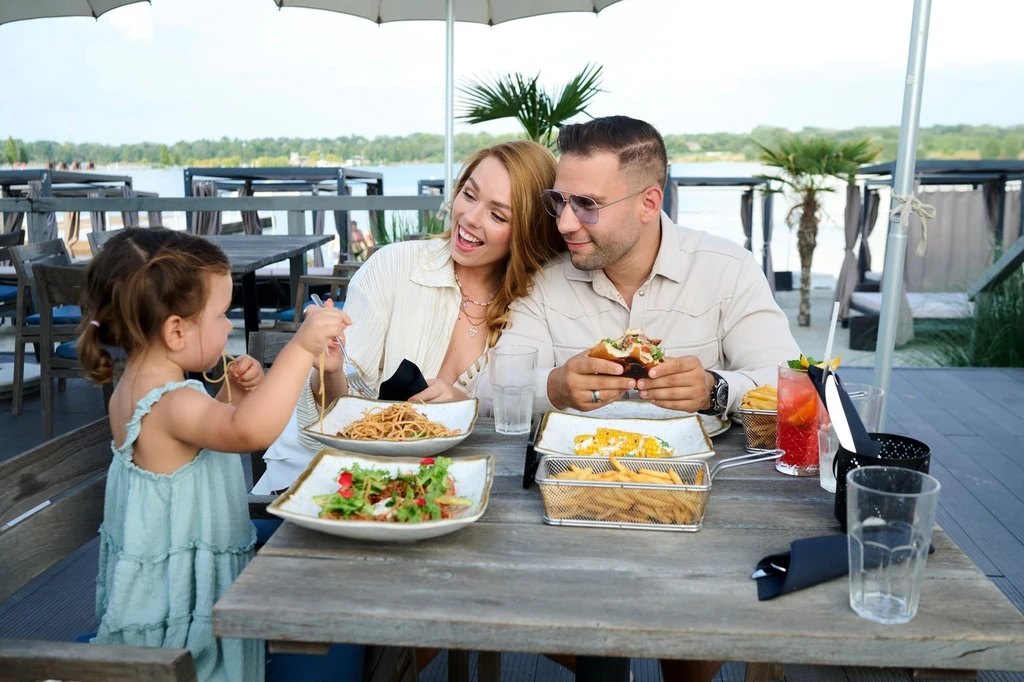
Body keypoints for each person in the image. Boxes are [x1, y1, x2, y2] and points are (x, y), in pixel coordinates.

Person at [495, 116, 801, 682]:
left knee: (695, 630)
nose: (564, 223)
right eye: (557, 201)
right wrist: (553, 386)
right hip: (571, 494)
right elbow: (498, 383)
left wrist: (717, 388)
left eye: (586, 204)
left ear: (648, 201)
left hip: (699, 500)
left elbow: (790, 379)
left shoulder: (725, 268)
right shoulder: (545, 278)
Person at [78, 227, 350, 682]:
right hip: (185, 608)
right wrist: (301, 347)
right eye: (223, 315)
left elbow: (200, 442)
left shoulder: (139, 391)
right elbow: (249, 432)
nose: (229, 326)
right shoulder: (173, 402)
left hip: (162, 583)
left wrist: (231, 393)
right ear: (176, 330)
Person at [251, 139, 564, 497]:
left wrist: (467, 405)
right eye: (469, 194)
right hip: (323, 474)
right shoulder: (392, 266)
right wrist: (332, 369)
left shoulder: (533, 308)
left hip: (436, 486)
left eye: (498, 215)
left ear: (528, 231)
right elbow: (337, 409)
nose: (470, 218)